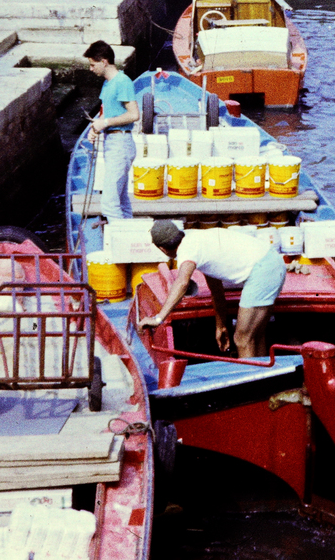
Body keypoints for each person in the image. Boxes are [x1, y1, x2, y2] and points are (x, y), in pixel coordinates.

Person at [139, 220, 291, 358]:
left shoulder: (187, 251)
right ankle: (263, 379)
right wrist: (221, 325)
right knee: (255, 335)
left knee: (242, 339)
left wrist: (158, 318)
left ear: (162, 249)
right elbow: (217, 291)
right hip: (273, 261)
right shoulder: (196, 238)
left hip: (262, 270)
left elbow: (182, 283)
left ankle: (251, 386)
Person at [84, 40, 138, 221]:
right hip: (112, 142)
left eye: (93, 64)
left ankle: (120, 244)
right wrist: (96, 127)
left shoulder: (122, 81)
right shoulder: (107, 84)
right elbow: (106, 113)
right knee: (121, 200)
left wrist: (105, 122)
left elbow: (134, 115)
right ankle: (129, 236)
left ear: (104, 61)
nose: (91, 69)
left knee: (109, 203)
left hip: (120, 143)